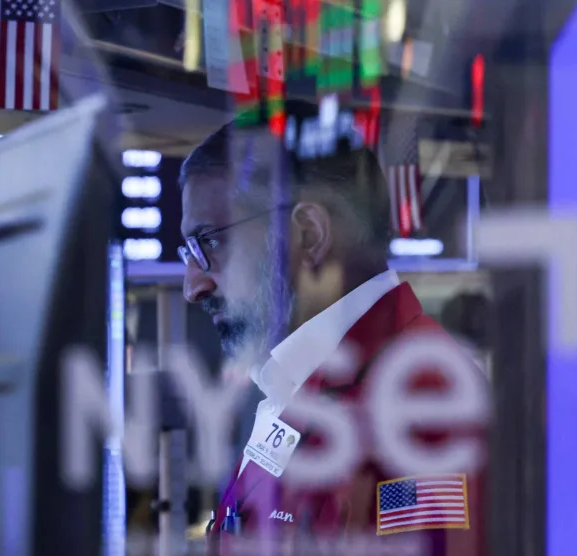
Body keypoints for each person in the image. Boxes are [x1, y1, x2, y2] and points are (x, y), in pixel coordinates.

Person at [178, 122, 488, 555]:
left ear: (309, 234)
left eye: (207, 243)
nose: (194, 286)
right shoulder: (300, 383)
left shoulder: (423, 402)